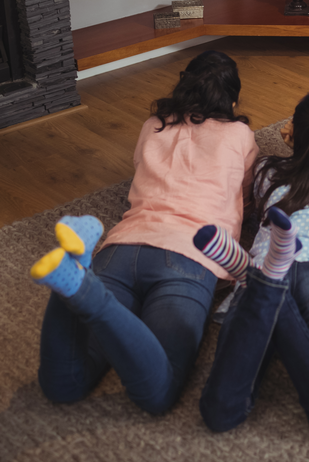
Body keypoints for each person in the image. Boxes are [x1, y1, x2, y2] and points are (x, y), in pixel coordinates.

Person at [30, 49, 258, 415]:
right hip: (188, 256)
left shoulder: (153, 125)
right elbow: (244, 199)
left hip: (122, 246)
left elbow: (139, 170)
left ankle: (74, 277)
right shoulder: (240, 134)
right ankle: (84, 290)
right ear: (232, 100)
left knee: (63, 384)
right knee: (157, 392)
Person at [194, 89, 309, 438]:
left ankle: (265, 279)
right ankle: (268, 280)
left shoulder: (267, 170)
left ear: (293, 134)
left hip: (264, 267)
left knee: (219, 415)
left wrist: (295, 144)